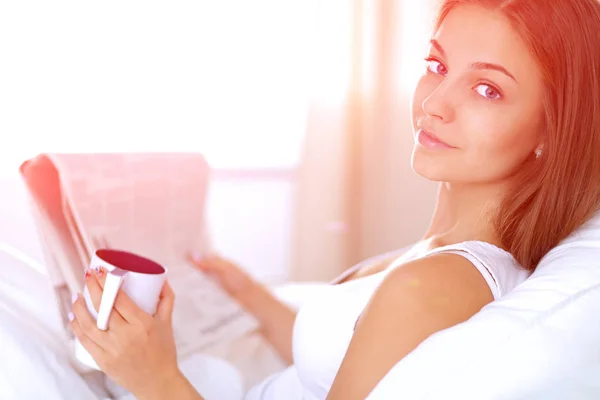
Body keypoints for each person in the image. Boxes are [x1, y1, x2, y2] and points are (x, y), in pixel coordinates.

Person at [69, 0, 600, 399]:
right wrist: (248, 294)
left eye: (488, 89)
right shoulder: (438, 255)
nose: (435, 103)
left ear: (550, 130)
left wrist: (155, 377)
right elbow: (335, 363)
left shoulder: (434, 284)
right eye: (438, 66)